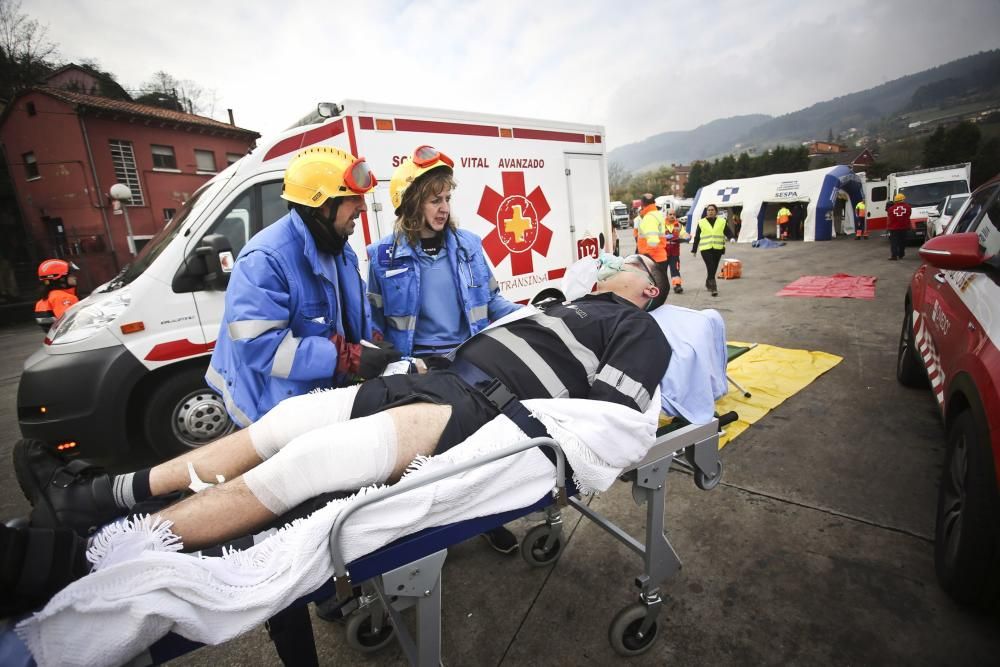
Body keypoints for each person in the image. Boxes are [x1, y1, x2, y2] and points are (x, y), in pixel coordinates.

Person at [3, 254, 672, 617]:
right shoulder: (559, 306)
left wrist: (527, 450)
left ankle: (78, 559)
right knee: (281, 425)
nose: (617, 259)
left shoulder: (639, 328)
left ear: (643, 290)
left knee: (305, 465)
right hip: (436, 377)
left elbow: (608, 414)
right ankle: (97, 496)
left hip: (478, 409)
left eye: (631, 262)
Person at [366, 145, 521, 554]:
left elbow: (494, 301)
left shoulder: (470, 244)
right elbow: (375, 326)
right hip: (420, 368)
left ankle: (492, 518)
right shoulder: (381, 257)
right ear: (411, 203)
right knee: (429, 456)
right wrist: (394, 365)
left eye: (447, 198)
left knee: (487, 448)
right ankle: (433, 535)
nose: (444, 207)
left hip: (473, 359)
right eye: (435, 199)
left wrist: (530, 314)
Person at [206, 146, 401, 428]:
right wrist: (348, 358)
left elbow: (351, 312)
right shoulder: (265, 259)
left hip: (317, 403)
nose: (362, 206)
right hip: (269, 413)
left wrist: (371, 339)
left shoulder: (339, 251)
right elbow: (261, 348)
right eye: (351, 198)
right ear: (321, 204)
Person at [690, 204, 734, 297]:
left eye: (712, 210)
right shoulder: (701, 222)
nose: (710, 211)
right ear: (706, 212)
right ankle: (713, 288)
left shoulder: (722, 221)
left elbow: (727, 231)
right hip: (705, 249)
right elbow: (697, 236)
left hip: (718, 248)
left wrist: (731, 238)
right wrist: (694, 249)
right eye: (708, 210)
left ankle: (708, 282)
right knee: (710, 266)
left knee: (713, 268)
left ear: (716, 212)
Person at [33, 259, 79, 332]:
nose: (75, 277)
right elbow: (73, 324)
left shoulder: (46, 298)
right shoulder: (63, 298)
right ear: (61, 279)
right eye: (71, 275)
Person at [636, 193, 667, 272]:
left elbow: (653, 241)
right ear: (654, 203)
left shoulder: (649, 218)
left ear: (642, 204)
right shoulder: (657, 215)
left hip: (652, 260)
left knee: (654, 284)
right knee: (661, 283)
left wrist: (646, 257)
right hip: (660, 257)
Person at [663, 211, 687, 294]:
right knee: (662, 271)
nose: (672, 216)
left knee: (675, 270)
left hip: (674, 252)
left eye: (674, 215)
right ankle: (662, 287)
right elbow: (656, 236)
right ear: (667, 215)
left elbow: (684, 234)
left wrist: (687, 236)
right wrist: (664, 237)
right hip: (663, 252)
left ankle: (677, 285)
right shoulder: (661, 225)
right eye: (670, 214)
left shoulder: (679, 225)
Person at [886, 193, 912, 261]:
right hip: (904, 227)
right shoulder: (908, 207)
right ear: (903, 199)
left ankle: (894, 256)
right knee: (902, 242)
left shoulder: (891, 209)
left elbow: (889, 216)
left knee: (894, 242)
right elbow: (908, 215)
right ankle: (901, 254)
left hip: (894, 228)